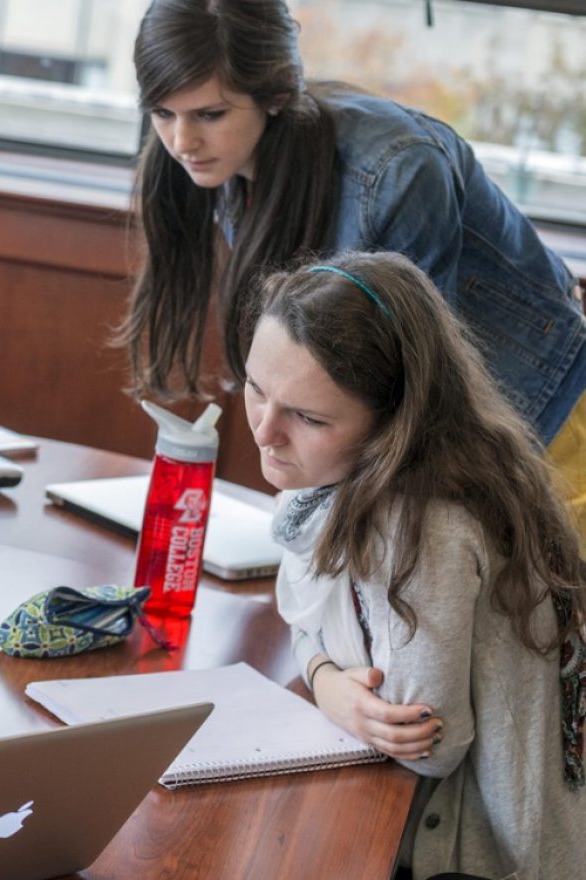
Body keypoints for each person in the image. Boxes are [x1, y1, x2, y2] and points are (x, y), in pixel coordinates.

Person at [124, 0, 586, 532]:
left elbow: (415, 388)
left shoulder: (396, 171)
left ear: (274, 95)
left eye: (210, 114)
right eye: (163, 113)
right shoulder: (227, 160)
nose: (182, 142)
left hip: (544, 418)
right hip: (437, 438)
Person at [246, 250, 586, 880]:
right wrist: (325, 678)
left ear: (391, 427)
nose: (265, 431)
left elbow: (428, 743)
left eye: (307, 417)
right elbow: (302, 602)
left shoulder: (419, 527)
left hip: (489, 854)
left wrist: (330, 684)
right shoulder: (357, 475)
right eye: (255, 388)